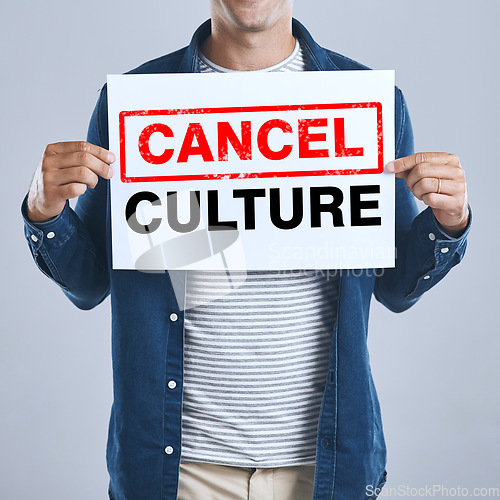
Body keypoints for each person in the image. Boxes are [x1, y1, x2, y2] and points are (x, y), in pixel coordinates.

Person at [22, 1, 470, 499]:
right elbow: (90, 284)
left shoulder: (368, 100)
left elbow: (395, 289)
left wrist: (447, 223)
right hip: (178, 467)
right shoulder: (135, 102)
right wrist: (46, 213)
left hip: (324, 464)